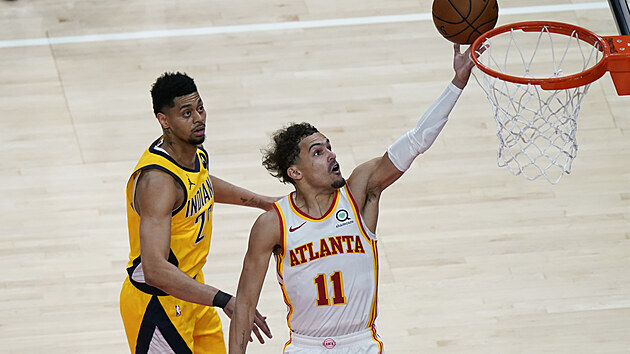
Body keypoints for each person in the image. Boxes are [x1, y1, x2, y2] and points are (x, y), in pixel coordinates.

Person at [228, 44, 477, 353]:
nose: (332, 155)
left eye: (329, 146)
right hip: (305, 346)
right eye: (318, 152)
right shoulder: (272, 224)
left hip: (359, 343)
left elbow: (415, 142)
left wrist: (457, 84)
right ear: (295, 172)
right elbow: (245, 303)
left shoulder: (359, 191)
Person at [120, 72, 275, 354]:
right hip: (158, 304)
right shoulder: (157, 183)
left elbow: (201, 184)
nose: (199, 118)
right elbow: (154, 270)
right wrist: (225, 299)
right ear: (164, 120)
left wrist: (262, 201)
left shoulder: (194, 154)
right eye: (187, 113)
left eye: (200, 108)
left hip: (192, 291)